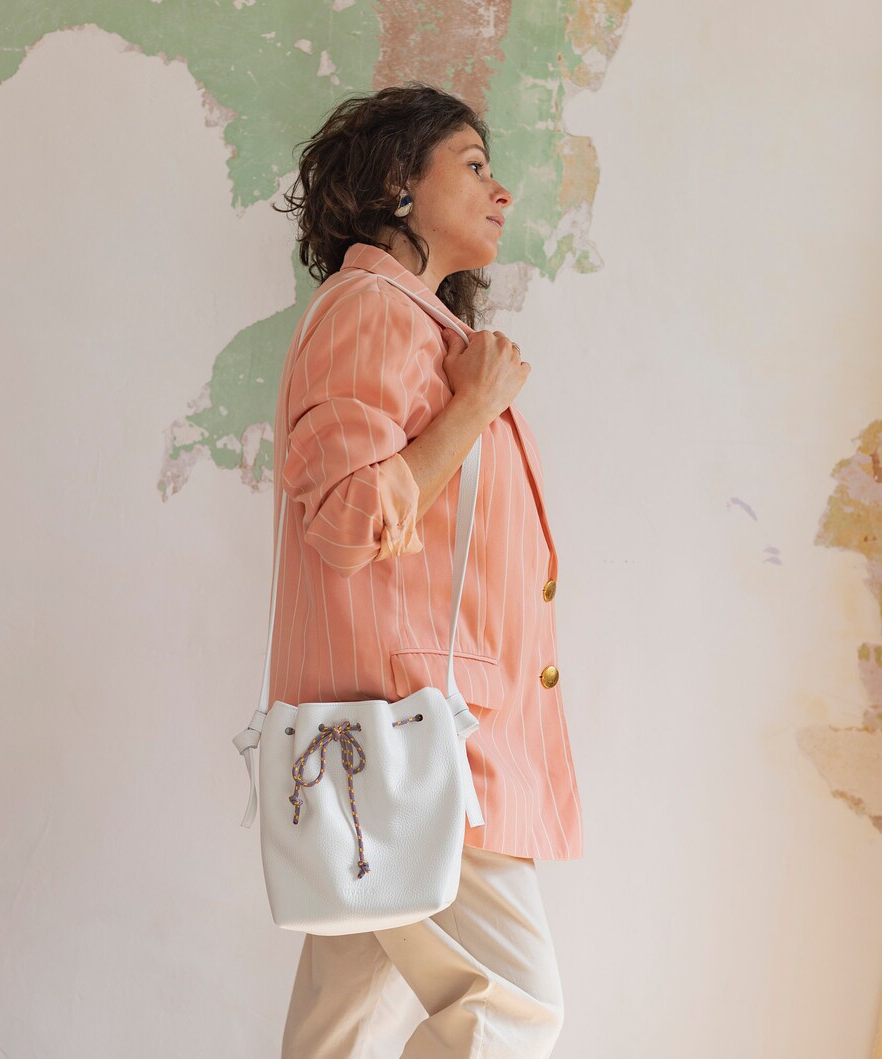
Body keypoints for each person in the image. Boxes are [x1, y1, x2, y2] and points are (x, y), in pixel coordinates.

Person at [266, 82, 584, 1058]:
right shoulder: (372, 311)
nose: (501, 192)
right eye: (474, 166)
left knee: (346, 1027)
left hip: (397, 740)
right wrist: (471, 408)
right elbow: (347, 517)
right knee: (512, 1007)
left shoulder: (411, 323)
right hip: (419, 741)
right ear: (398, 184)